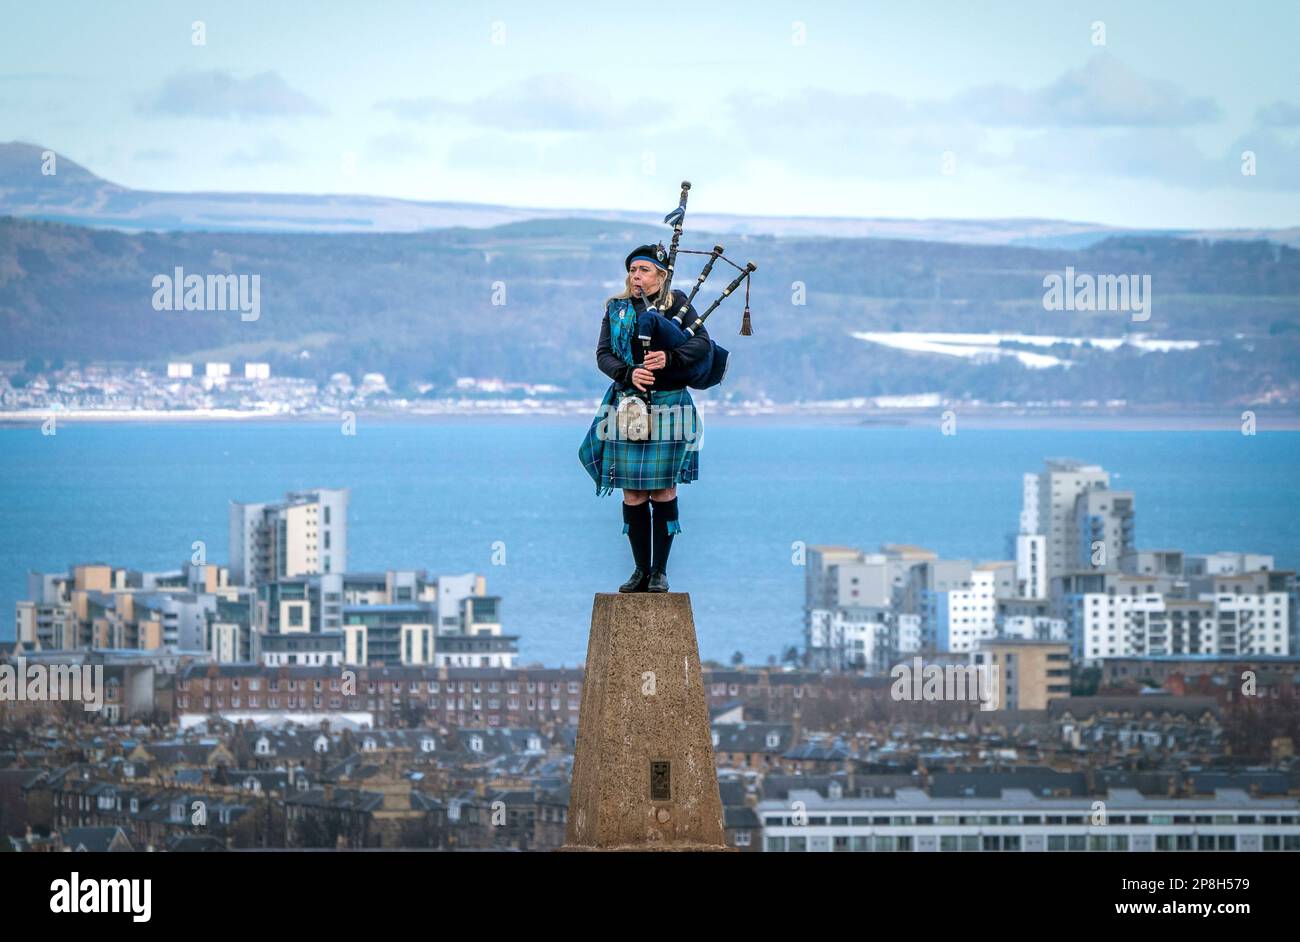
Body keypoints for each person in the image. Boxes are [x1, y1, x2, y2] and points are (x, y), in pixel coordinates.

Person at [578, 243, 713, 592]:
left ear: (661, 275)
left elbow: (702, 344)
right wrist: (628, 374)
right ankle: (640, 569)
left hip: (670, 403)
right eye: (633, 270)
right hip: (628, 406)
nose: (637, 276)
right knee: (634, 493)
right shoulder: (617, 308)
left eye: (645, 270)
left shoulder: (677, 304)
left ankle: (660, 571)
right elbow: (603, 354)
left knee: (663, 489)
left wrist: (670, 358)